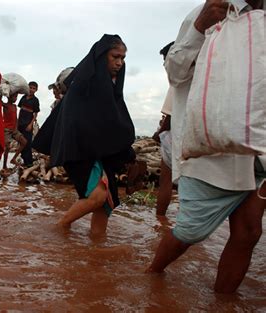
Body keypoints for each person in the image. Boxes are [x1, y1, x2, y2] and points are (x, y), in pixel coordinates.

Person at [148, 0, 266, 293]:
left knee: (248, 232)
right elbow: (175, 75)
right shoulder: (208, 12)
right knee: (190, 232)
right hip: (209, 152)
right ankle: (151, 275)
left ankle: (223, 302)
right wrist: (199, 29)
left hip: (258, 150)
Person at [50, 34, 137, 235]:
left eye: (123, 58)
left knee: (107, 204)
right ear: (102, 56)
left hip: (98, 151)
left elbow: (113, 122)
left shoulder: (111, 87)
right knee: (97, 196)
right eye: (115, 57)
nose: (119, 63)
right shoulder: (84, 84)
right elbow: (78, 123)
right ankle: (58, 230)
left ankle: (96, 252)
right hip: (78, 149)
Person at [153, 42, 174, 216]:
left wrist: (157, 135)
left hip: (176, 139)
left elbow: (170, 117)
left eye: (165, 59)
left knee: (165, 181)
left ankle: (160, 218)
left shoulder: (178, 82)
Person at [17, 81, 40, 167]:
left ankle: (29, 162)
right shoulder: (23, 98)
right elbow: (20, 110)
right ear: (27, 87)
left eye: (34, 88)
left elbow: (35, 114)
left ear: (36, 90)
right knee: (21, 143)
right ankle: (24, 160)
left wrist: (30, 125)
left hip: (28, 125)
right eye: (30, 87)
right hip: (20, 124)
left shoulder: (35, 100)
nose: (32, 89)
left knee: (27, 143)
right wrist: (17, 122)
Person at [2, 93, 26, 170]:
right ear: (9, 97)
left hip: (14, 129)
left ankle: (13, 159)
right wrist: (2, 93)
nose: (15, 98)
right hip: (7, 130)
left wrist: (16, 127)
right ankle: (4, 166)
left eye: (16, 97)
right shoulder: (5, 105)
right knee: (7, 147)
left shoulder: (15, 106)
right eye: (14, 96)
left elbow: (15, 118)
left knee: (24, 142)